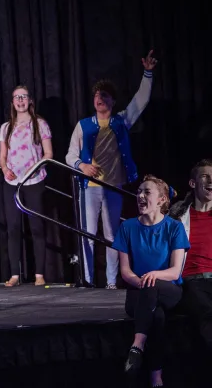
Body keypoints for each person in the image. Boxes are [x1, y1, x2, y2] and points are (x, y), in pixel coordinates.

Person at [66, 52, 158, 289]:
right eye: (97, 94)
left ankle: (110, 282)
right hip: (89, 188)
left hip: (113, 186)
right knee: (86, 234)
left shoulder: (121, 121)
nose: (99, 97)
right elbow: (70, 156)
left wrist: (147, 73)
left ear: (112, 101)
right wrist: (82, 166)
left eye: (104, 95)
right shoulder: (83, 125)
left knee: (111, 235)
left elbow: (141, 101)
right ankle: (86, 279)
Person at [112, 175, 189, 388]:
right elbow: (126, 272)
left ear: (161, 199)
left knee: (154, 288)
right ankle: (156, 375)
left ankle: (137, 346)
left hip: (169, 290)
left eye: (147, 192)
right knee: (157, 316)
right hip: (138, 291)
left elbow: (175, 272)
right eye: (138, 192)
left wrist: (154, 277)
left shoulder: (174, 228)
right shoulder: (127, 227)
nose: (141, 196)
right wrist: (145, 283)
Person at [0, 86, 53, 286]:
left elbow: (48, 154)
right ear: (12, 102)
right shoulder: (6, 127)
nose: (20, 100)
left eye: (24, 96)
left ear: (30, 100)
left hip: (34, 181)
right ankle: (15, 274)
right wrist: (4, 169)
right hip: (12, 183)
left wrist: (35, 168)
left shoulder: (40, 124)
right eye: (16, 97)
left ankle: (39, 274)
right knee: (13, 228)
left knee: (37, 227)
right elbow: (2, 157)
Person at [171, 159, 212, 349]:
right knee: (207, 310)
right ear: (193, 183)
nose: (211, 181)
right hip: (191, 280)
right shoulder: (177, 217)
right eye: (205, 176)